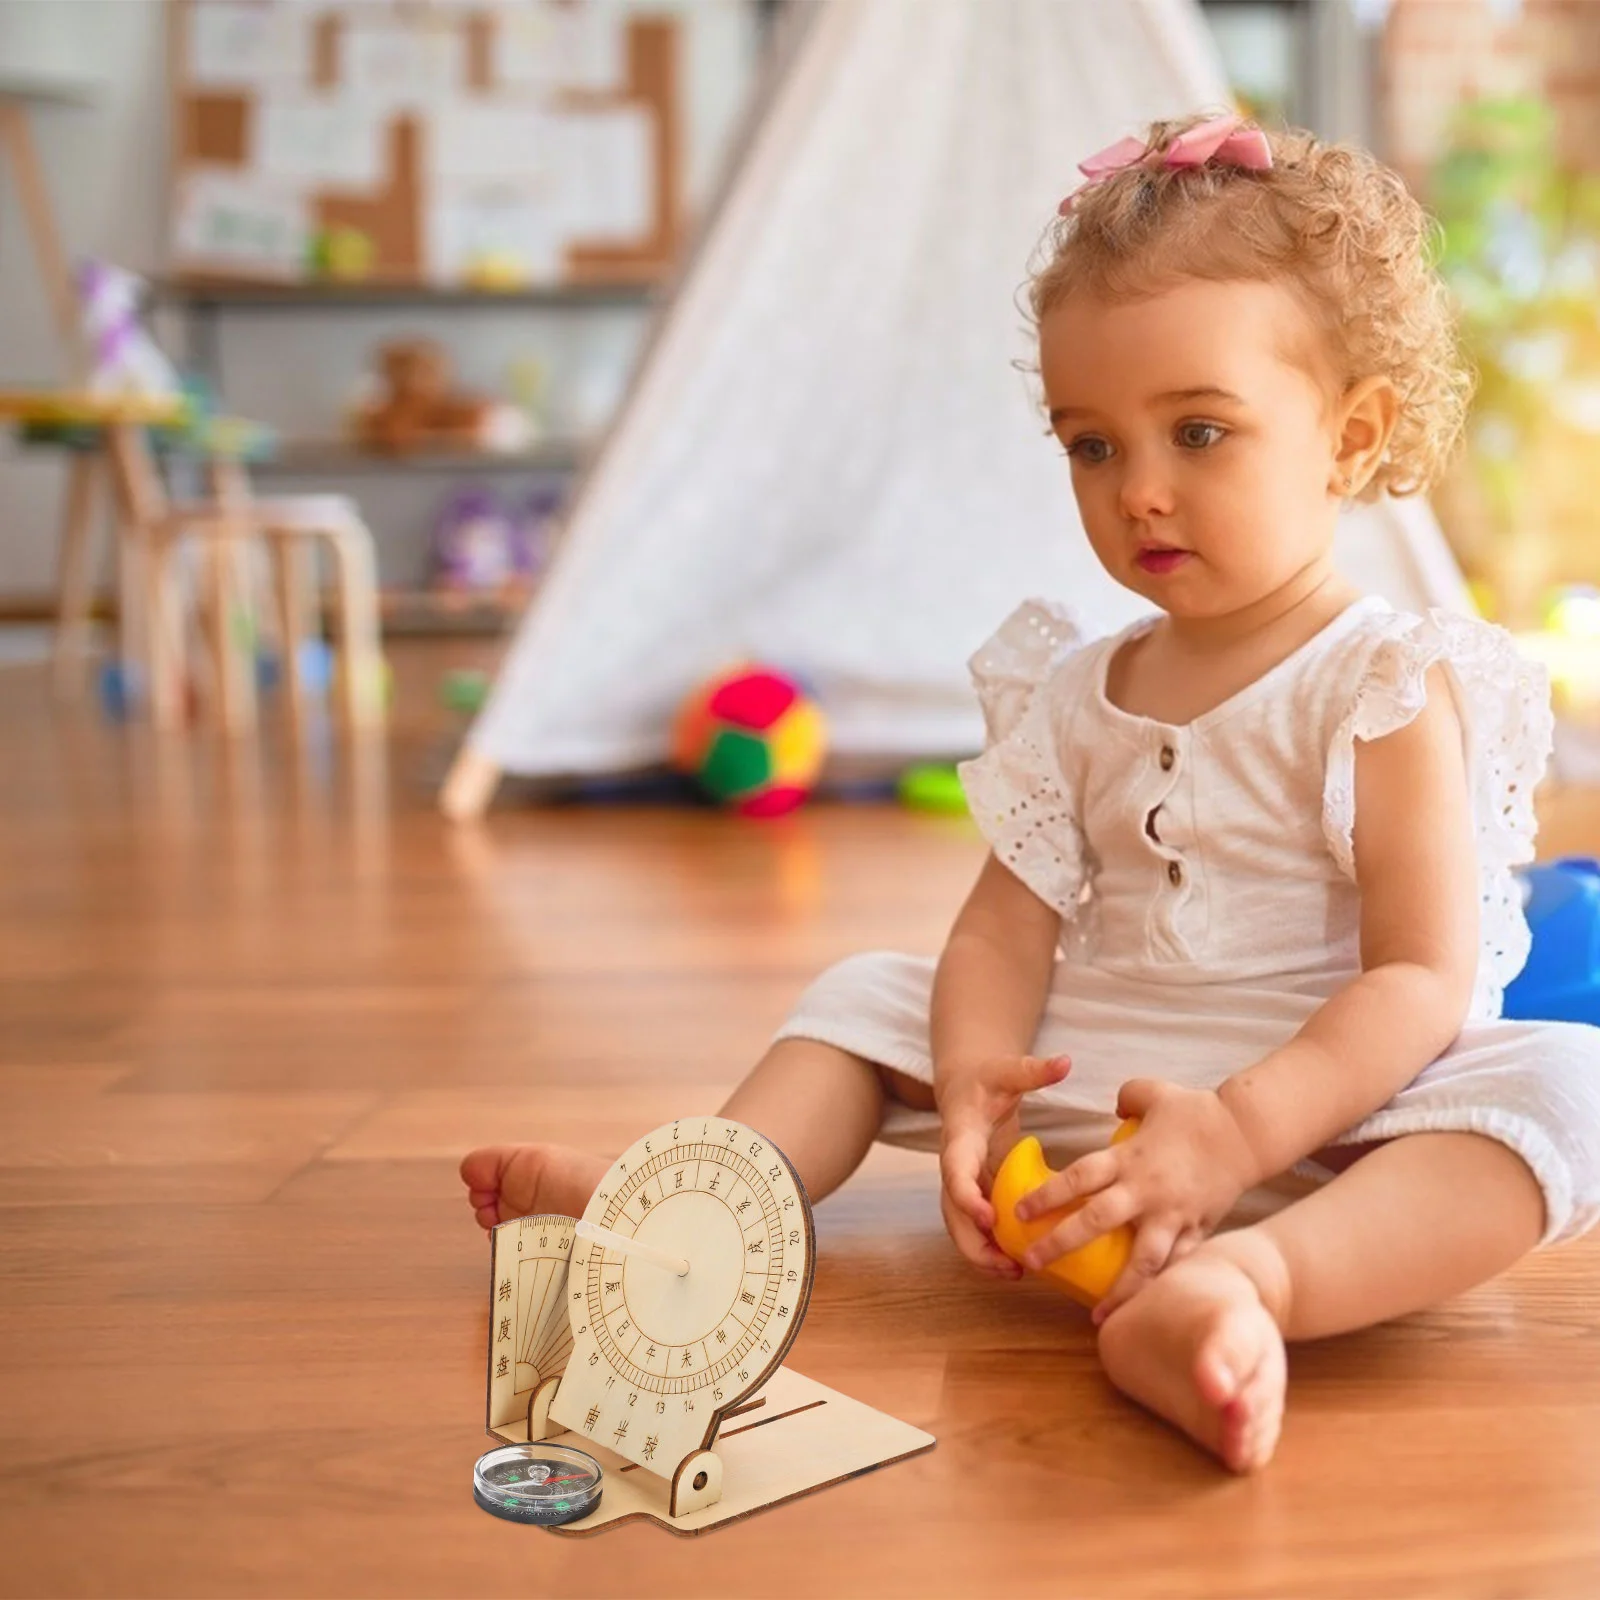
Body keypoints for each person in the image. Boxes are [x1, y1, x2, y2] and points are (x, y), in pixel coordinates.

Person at [460, 112, 1600, 1473]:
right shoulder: (1080, 684)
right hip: (1093, 1083)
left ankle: (1250, 1287)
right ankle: (714, 1206)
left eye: (1199, 431)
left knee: (1568, 1085)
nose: (1142, 494)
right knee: (865, 994)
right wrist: (967, 1084)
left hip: (1326, 1112)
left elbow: (1418, 979)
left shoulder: (1388, 682)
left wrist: (1240, 1131)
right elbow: (1005, 925)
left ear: (1350, 439)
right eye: (1092, 446)